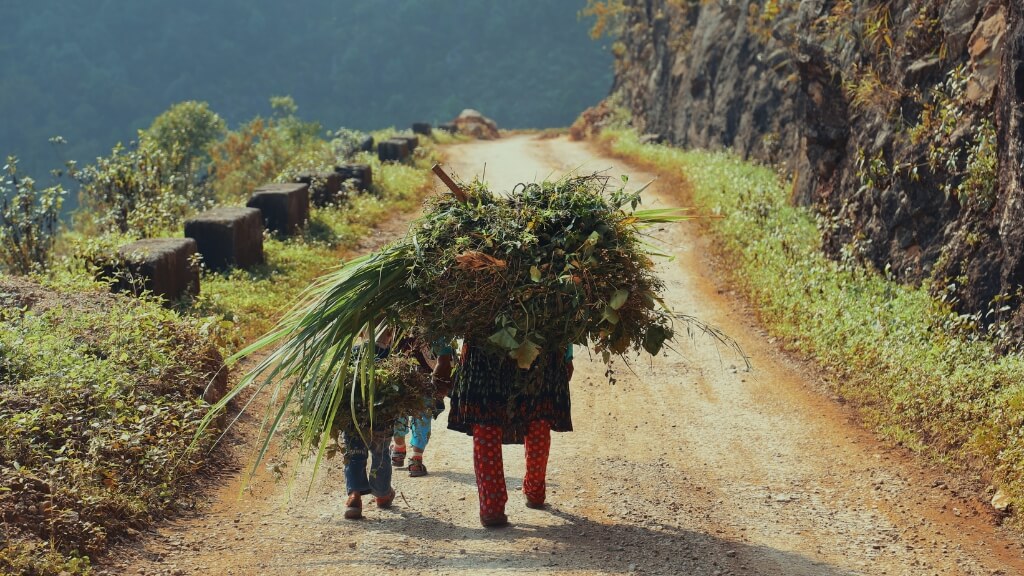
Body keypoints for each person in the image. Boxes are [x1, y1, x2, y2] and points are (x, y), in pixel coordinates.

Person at [448, 342, 574, 527]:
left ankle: (492, 507)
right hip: (539, 345)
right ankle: (534, 490)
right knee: (537, 415)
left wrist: (444, 353)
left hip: (486, 347)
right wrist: (567, 353)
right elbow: (568, 317)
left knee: (487, 417)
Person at [391, 340, 454, 477]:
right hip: (426, 381)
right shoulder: (434, 330)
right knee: (422, 417)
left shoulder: (397, 327)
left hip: (401, 377)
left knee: (399, 410)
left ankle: (398, 450)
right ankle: (416, 460)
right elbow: (445, 357)